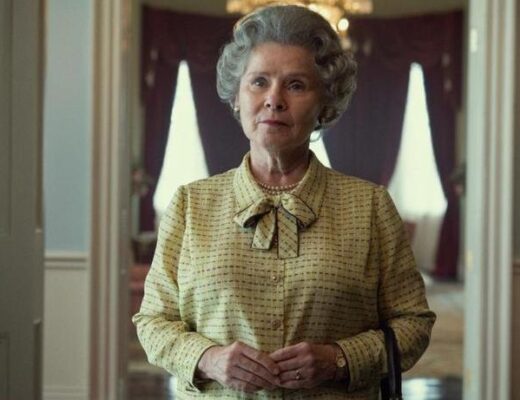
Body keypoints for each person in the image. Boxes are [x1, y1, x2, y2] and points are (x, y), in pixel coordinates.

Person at [133, 5, 435, 399]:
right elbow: (153, 322)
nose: (274, 99)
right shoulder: (190, 205)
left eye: (296, 85)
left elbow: (413, 324)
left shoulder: (371, 207)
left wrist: (339, 359)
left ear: (324, 103)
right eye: (259, 82)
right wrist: (208, 358)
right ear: (237, 96)